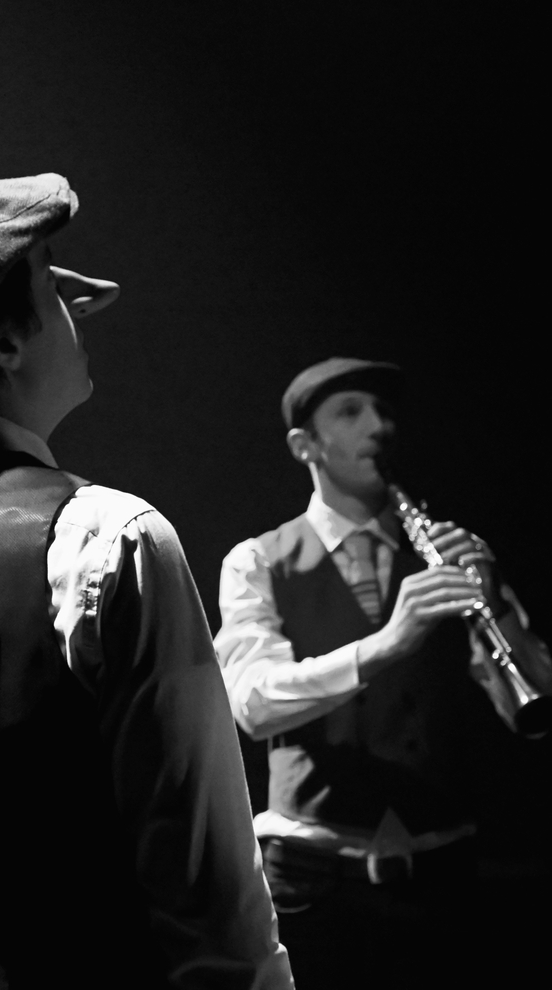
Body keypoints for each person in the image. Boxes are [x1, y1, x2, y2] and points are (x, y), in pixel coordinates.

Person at [0, 174, 294, 989]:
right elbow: (212, 898)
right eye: (52, 282)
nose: (78, 303)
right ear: (2, 342)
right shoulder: (108, 538)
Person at [214, 356, 551, 989]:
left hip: (442, 870)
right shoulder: (256, 560)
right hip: (314, 879)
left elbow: (530, 712)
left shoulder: (445, 554)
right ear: (304, 445)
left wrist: (496, 601)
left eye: (386, 412)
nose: (381, 426)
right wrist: (388, 644)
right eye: (352, 412)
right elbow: (252, 705)